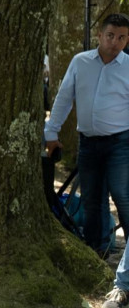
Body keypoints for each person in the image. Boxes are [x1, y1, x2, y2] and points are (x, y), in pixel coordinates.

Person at [45, 13, 129, 261]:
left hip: (120, 143)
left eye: (122, 38)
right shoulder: (80, 62)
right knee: (93, 199)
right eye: (110, 35)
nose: (114, 42)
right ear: (99, 35)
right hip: (89, 142)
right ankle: (97, 251)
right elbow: (63, 98)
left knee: (122, 195)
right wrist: (51, 131)